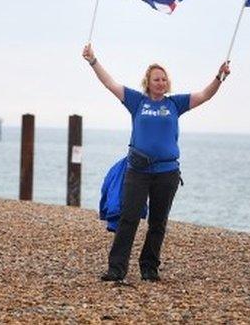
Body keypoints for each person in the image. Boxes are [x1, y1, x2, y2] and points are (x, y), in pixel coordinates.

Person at [82, 43, 230, 283]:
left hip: (167, 173)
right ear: (148, 83)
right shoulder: (137, 101)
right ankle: (116, 269)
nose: (161, 83)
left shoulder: (175, 104)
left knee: (158, 223)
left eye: (163, 79)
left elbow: (204, 95)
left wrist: (219, 77)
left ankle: (149, 268)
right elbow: (110, 83)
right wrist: (93, 61)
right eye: (156, 79)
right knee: (128, 220)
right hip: (138, 171)